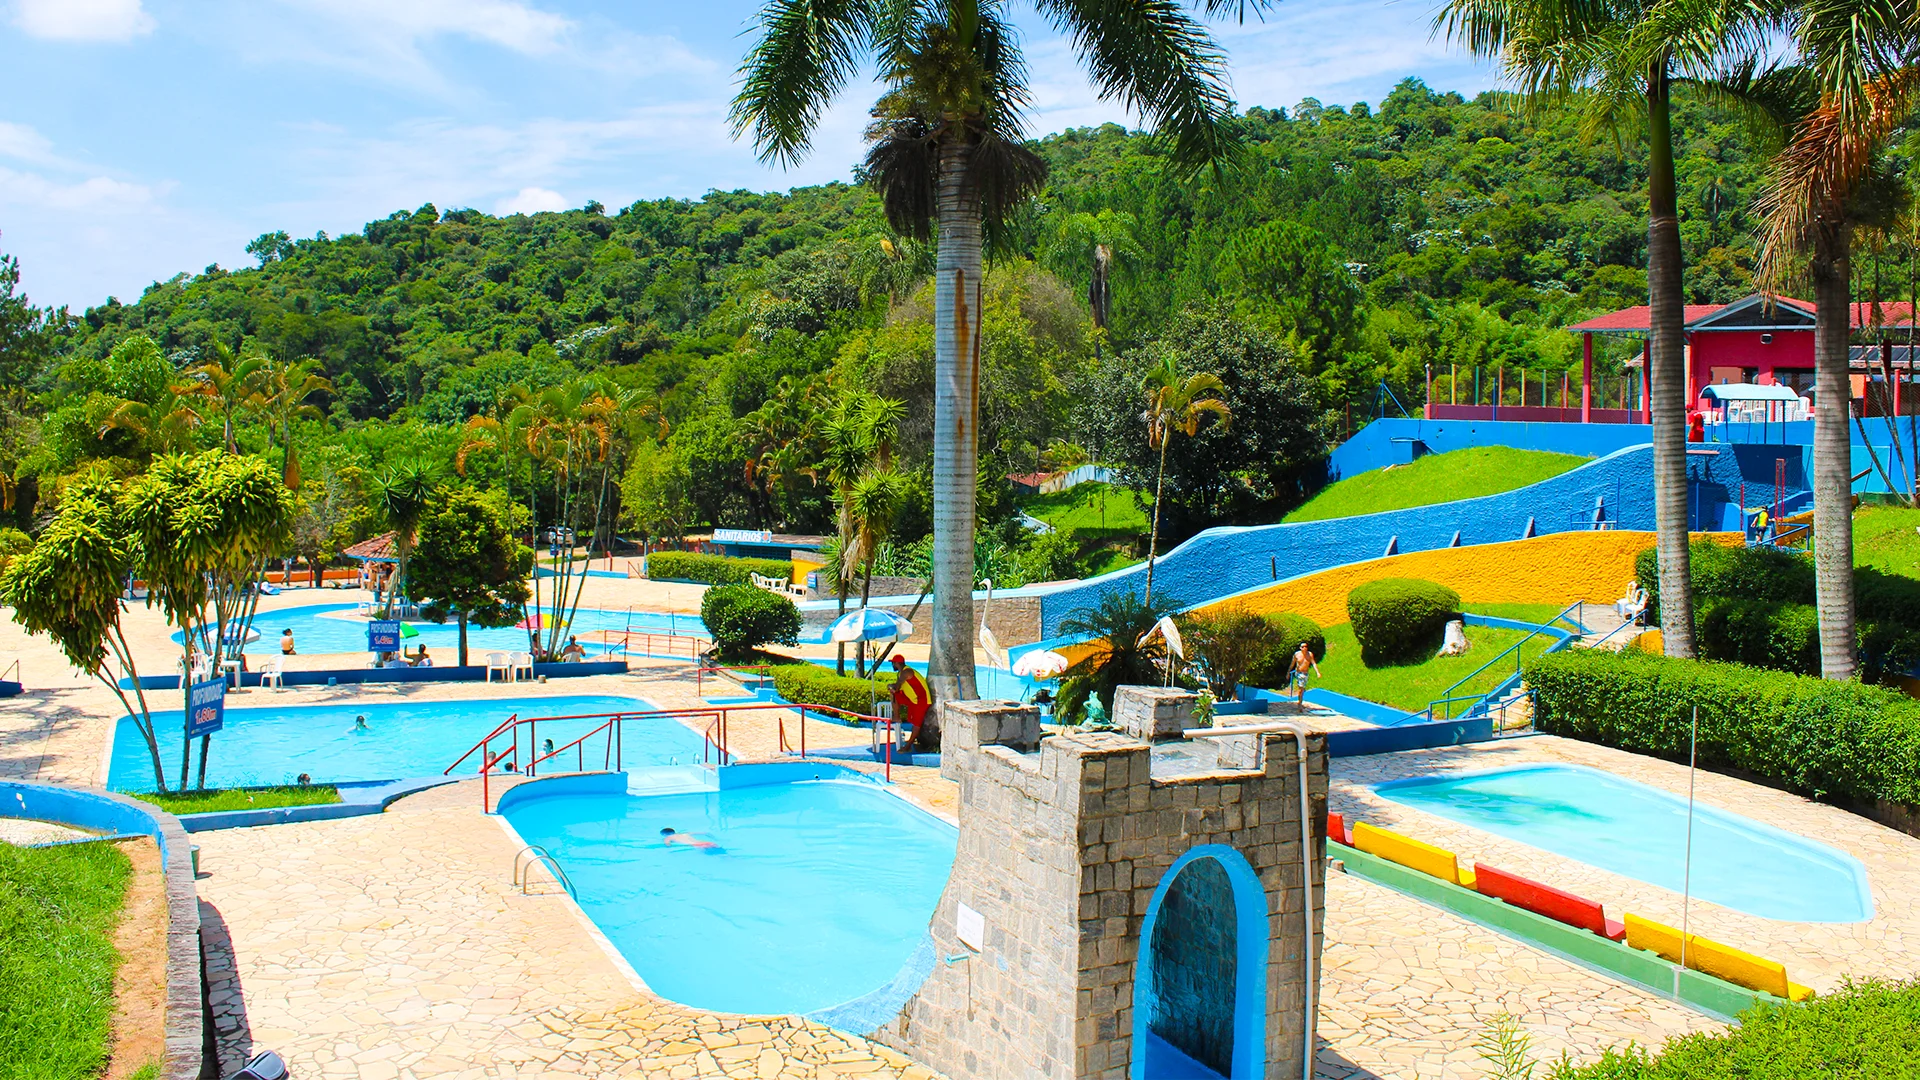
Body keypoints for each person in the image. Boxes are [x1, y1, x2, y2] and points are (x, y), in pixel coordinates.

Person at [889, 655, 932, 737]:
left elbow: (897, 688)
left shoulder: (906, 672)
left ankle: (908, 746)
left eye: (893, 663)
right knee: (894, 695)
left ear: (897, 663)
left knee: (917, 724)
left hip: (922, 700)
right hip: (912, 699)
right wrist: (891, 686)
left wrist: (893, 687)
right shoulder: (900, 673)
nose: (893, 665)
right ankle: (897, 717)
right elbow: (897, 687)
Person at [1290, 642, 1322, 708]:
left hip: (1305, 673)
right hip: (1299, 673)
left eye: (1306, 646)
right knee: (1301, 688)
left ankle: (1300, 701)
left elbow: (1313, 663)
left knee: (1302, 689)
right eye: (1303, 647)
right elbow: (1292, 663)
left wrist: (1317, 672)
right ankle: (1300, 703)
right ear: (1300, 648)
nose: (1304, 648)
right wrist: (1288, 672)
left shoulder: (1309, 654)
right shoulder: (1297, 654)